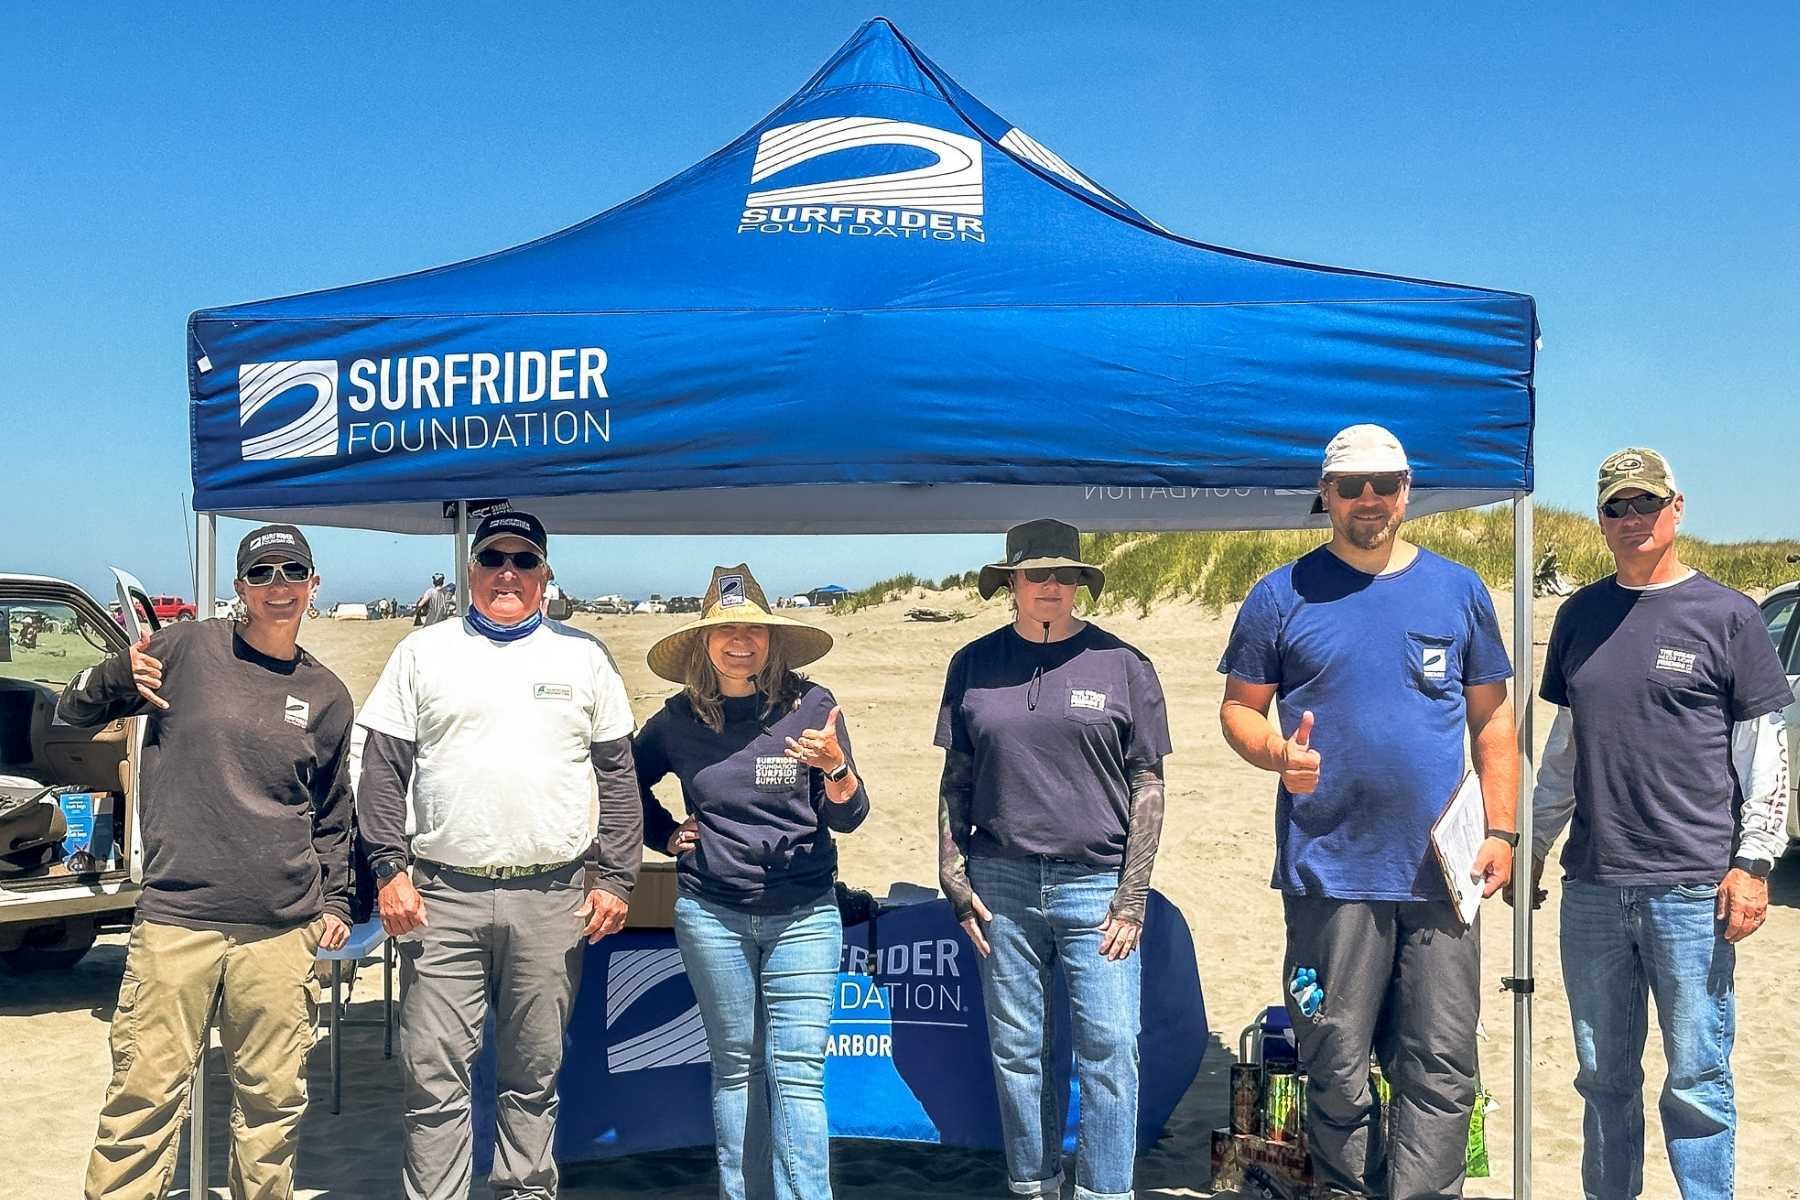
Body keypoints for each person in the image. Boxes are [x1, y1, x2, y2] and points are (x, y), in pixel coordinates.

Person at [1217, 424, 1517, 1200]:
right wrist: (1277, 754)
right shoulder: (1279, 595)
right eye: (1352, 486)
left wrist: (1503, 831)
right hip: (1331, 871)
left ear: (1408, 490)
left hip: (1441, 877)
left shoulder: (1459, 590)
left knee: (1442, 1064)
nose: (1370, 500)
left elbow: (1494, 723)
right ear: (1326, 494)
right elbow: (1239, 711)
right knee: (1336, 1060)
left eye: (1386, 484)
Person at [1519, 448, 1791, 1200]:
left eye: (1645, 503)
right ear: (1601, 519)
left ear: (1677, 508)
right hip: (1595, 891)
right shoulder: (1580, 615)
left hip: (1693, 890)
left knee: (1698, 1080)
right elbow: (1563, 755)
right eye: (1615, 507)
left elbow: (1765, 751)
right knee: (1603, 1077)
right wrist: (1532, 847)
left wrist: (1755, 863)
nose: (1630, 519)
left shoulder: (1729, 615)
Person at [356, 510, 642, 1200]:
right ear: (470, 572)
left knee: (534, 1074)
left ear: (545, 575)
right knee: (433, 1075)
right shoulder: (423, 652)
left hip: (553, 897)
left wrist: (618, 879)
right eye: (492, 559)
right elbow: (381, 773)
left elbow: (618, 780)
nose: (506, 573)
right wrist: (390, 870)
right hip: (440, 898)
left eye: (522, 561)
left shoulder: (585, 656)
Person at [66, 524, 354, 1200]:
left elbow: (335, 814)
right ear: (239, 589)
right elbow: (72, 708)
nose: (278, 586)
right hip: (179, 917)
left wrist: (336, 903)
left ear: (314, 585)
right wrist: (113, 674)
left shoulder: (327, 694)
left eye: (293, 572)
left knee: (272, 1109)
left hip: (282, 928)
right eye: (263, 574)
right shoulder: (186, 648)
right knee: (142, 1101)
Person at [935, 519, 1171, 1200]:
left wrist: (1131, 898)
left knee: (1111, 1051)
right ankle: (1033, 1185)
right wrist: (953, 875)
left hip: (1095, 885)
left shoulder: (1125, 664)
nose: (1050, 587)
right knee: (1019, 1054)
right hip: (1000, 882)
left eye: (1064, 575)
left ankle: (1102, 1191)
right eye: (1036, 574)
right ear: (1010, 583)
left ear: (1080, 586)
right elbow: (956, 781)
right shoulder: (973, 663)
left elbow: (1148, 785)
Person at [636, 564, 869, 1200]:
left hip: (805, 913)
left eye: (753, 631)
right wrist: (663, 833)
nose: (740, 641)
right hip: (713, 915)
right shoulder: (677, 720)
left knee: (796, 1073)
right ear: (703, 645)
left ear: (771, 641)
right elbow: (623, 786)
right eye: (724, 631)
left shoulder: (812, 707)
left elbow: (849, 816)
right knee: (736, 1069)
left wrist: (837, 769)